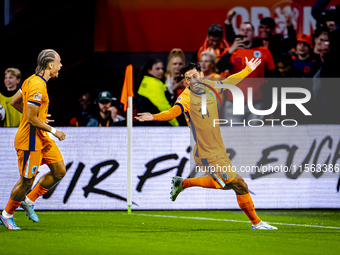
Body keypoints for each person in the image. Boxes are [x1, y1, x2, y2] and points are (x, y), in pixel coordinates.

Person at [136, 59, 277, 230]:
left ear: (202, 75)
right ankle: (257, 223)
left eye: (195, 76)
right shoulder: (186, 97)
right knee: (240, 184)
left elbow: (229, 81)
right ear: (185, 81)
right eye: (188, 78)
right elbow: (173, 112)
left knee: (224, 184)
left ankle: (183, 183)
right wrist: (154, 116)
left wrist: (248, 69)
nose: (192, 80)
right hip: (207, 153)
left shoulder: (210, 86)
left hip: (219, 149)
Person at [0, 49, 66, 230]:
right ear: (50, 65)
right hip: (29, 141)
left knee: (59, 170)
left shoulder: (31, 80)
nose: (61, 65)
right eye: (59, 62)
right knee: (26, 181)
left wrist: (38, 118)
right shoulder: (37, 86)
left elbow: (14, 102)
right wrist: (53, 130)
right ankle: (7, 214)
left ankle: (29, 200)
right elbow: (31, 118)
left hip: (40, 137)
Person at [217, 22, 276, 124]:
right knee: (233, 136)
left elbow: (272, 79)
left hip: (257, 102)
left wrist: (270, 105)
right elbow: (219, 68)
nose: (245, 32)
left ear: (253, 33)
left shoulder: (263, 51)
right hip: (234, 102)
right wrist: (231, 50)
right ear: (238, 33)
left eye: (248, 30)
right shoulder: (231, 52)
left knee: (256, 136)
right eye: (242, 30)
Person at [225, 12, 296, 63]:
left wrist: (289, 25)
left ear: (273, 29)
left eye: (267, 27)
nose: (264, 30)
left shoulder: (278, 42)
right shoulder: (255, 43)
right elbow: (232, 39)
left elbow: (291, 41)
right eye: (262, 27)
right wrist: (229, 21)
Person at [136, 59, 179, 126]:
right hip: (153, 126)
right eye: (157, 69)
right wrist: (176, 124)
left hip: (145, 125)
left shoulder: (146, 82)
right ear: (149, 71)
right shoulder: (153, 84)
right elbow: (164, 107)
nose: (161, 71)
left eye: (162, 68)